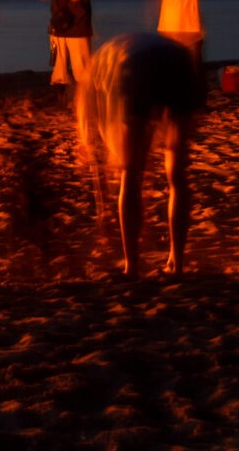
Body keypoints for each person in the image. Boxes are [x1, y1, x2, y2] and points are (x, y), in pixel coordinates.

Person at [77, 32, 204, 277]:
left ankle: (132, 266)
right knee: (177, 172)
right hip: (180, 61)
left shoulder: (92, 78)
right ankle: (177, 262)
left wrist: (103, 205)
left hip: (137, 67)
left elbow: (89, 135)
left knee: (131, 172)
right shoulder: (111, 54)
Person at [34, 0, 94, 91]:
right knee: (59, 70)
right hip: (58, 30)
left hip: (78, 30)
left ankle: (86, 98)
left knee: (83, 70)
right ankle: (61, 97)